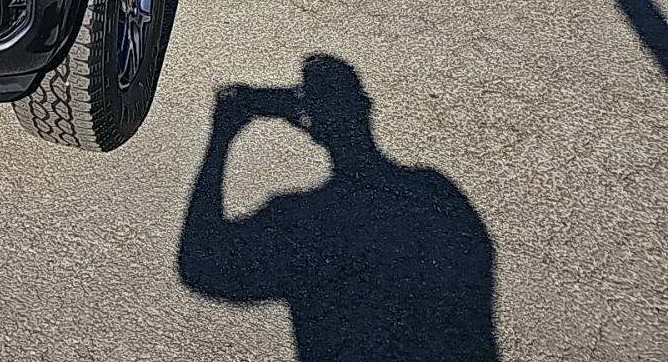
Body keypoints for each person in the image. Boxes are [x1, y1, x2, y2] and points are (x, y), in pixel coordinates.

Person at [178, 55, 498, 361]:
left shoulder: (305, 223)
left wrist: (222, 137)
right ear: (366, 107)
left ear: (309, 126)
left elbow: (200, 264)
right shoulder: (433, 195)